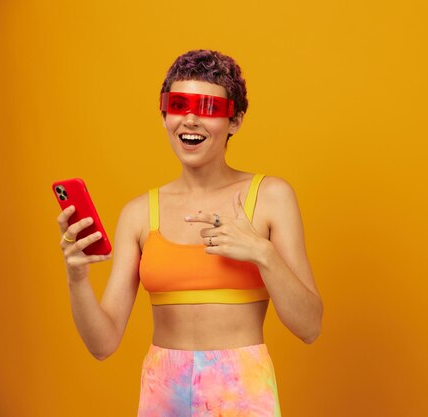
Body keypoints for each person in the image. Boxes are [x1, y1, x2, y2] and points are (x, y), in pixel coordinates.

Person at [56, 49, 323, 416]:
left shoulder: (272, 198)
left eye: (209, 108)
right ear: (165, 116)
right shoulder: (138, 214)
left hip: (241, 392)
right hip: (165, 393)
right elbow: (102, 344)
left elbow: (309, 326)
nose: (191, 119)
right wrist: (77, 277)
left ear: (236, 121)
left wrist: (261, 251)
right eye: (179, 105)